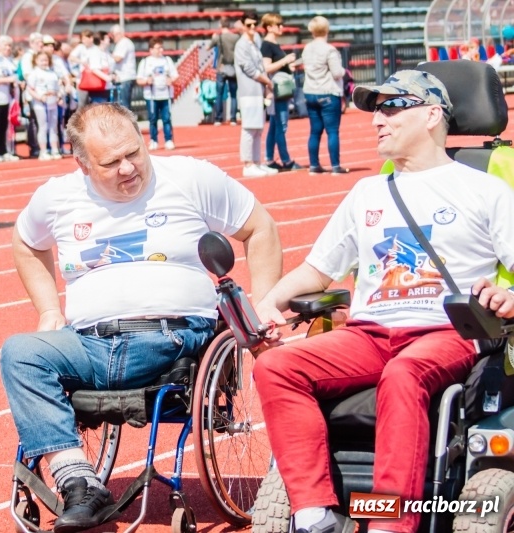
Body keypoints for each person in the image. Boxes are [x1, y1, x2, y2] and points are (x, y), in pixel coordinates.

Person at [0, 102, 282, 533]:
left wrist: (262, 304)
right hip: (89, 345)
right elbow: (26, 242)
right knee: (20, 352)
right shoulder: (57, 196)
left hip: (171, 340)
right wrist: (48, 310)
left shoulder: (189, 177)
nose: (128, 168)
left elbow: (259, 226)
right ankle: (77, 479)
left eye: (134, 152)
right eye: (110, 162)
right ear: (82, 163)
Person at [252, 70, 514, 533]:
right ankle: (315, 513)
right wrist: (269, 301)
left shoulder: (487, 189)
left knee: (403, 374)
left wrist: (507, 296)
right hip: (370, 332)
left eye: (393, 107)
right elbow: (318, 268)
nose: (378, 120)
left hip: (447, 331)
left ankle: (391, 523)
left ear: (433, 115)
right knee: (276, 367)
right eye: (376, 110)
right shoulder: (366, 191)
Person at [301, 16, 348, 175]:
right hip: (328, 92)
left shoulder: (307, 48)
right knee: (332, 131)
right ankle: (335, 166)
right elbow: (336, 72)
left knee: (314, 131)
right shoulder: (329, 49)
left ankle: (314, 165)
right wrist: (344, 71)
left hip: (310, 91)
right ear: (326, 30)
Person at [235, 15, 277, 177]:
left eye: (254, 24)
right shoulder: (241, 45)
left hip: (258, 91)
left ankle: (257, 162)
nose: (253, 27)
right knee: (249, 128)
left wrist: (265, 85)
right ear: (244, 26)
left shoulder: (255, 42)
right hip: (248, 92)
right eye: (249, 25)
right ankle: (248, 164)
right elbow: (249, 68)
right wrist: (267, 81)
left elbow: (259, 65)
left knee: (258, 129)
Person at [261, 13, 304, 172]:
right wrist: (285, 61)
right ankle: (286, 160)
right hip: (277, 90)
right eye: (278, 25)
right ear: (269, 27)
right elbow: (267, 67)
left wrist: (290, 66)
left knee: (274, 126)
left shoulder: (274, 44)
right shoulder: (267, 45)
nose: (282, 28)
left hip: (281, 88)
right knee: (281, 125)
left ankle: (270, 158)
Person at [136, 38, 178, 151]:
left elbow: (175, 75)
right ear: (151, 49)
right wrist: (146, 81)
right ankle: (153, 140)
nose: (161, 50)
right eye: (158, 47)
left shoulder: (167, 60)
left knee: (167, 118)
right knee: (153, 119)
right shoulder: (145, 62)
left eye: (161, 47)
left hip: (165, 94)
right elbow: (139, 79)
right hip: (151, 95)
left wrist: (171, 80)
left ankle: (168, 140)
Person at [26, 51, 62, 161]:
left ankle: (54, 149)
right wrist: (39, 97)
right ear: (36, 61)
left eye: (46, 60)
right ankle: (43, 151)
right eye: (41, 60)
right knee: (43, 126)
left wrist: (59, 96)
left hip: (52, 103)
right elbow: (29, 89)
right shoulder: (34, 73)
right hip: (40, 104)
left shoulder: (52, 73)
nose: (44, 62)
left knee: (53, 127)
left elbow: (57, 88)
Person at [207, 17, 240, 126]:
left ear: (220, 25)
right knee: (234, 94)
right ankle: (233, 118)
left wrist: (213, 39)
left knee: (219, 94)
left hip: (221, 67)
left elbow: (208, 47)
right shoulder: (236, 37)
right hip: (233, 66)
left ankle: (218, 118)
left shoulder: (219, 37)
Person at [109, 24, 136, 110]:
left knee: (124, 106)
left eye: (113, 35)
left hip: (125, 77)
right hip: (123, 77)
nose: (113, 38)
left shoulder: (123, 42)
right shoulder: (123, 43)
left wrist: (108, 55)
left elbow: (118, 58)